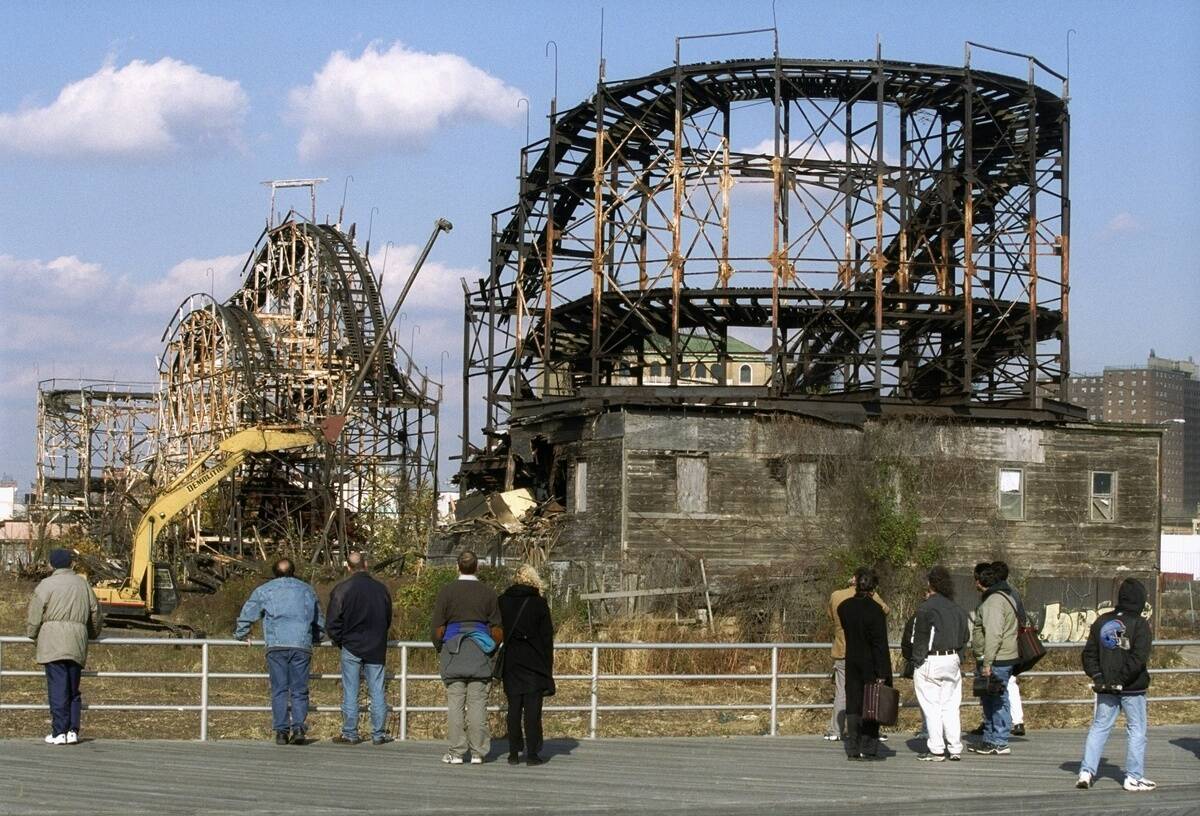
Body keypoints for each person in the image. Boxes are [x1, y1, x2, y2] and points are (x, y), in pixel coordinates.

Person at [234, 557, 325, 745]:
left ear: (274, 572)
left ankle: (281, 731)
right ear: (294, 570)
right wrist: (316, 637)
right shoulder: (306, 590)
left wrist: (242, 634)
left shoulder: (265, 590)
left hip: (276, 645)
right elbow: (318, 618)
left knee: (279, 689)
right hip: (301, 644)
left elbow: (248, 612)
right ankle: (299, 727)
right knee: (300, 689)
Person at [1076, 577, 1155, 792]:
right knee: (1137, 730)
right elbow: (1138, 658)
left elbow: (1089, 655)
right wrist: (1120, 680)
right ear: (1140, 600)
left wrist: (1100, 678)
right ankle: (1133, 777)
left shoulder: (1102, 621)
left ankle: (1086, 771)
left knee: (1100, 727)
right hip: (1132, 687)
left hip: (1105, 687)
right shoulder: (1140, 624)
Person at [25, 548, 104, 745]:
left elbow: (34, 615)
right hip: (77, 641)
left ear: (52, 564)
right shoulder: (83, 585)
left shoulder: (46, 585)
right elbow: (95, 614)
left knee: (58, 687)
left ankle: (59, 731)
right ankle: (72, 731)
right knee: (73, 688)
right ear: (71, 564)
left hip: (53, 642)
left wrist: (32, 634)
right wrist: (91, 635)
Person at [432, 549, 502, 764]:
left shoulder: (447, 591)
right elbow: (498, 628)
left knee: (455, 704)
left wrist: (440, 647)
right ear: (477, 567)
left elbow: (436, 627)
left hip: (453, 651)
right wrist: (492, 648)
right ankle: (478, 752)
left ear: (457, 567)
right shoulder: (488, 592)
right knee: (478, 704)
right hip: (480, 653)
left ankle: (456, 751)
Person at [327, 550, 394, 746]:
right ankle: (379, 733)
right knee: (378, 691)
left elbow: (332, 622)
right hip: (376, 646)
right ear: (366, 564)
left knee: (351, 690)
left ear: (348, 567)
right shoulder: (381, 589)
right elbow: (387, 618)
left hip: (351, 645)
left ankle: (350, 733)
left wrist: (341, 640)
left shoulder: (342, 589)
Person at [911, 566, 970, 762]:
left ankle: (936, 748)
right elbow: (965, 637)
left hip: (931, 659)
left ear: (931, 584)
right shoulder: (958, 609)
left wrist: (917, 661)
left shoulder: (926, 608)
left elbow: (920, 638)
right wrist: (959, 657)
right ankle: (955, 747)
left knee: (931, 706)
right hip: (952, 659)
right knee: (951, 706)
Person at [499, 564, 555, 766]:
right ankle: (532, 753)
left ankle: (513, 752)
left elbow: (497, 631)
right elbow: (547, 637)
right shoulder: (539, 603)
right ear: (534, 579)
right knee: (533, 710)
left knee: (514, 707)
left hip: (512, 660)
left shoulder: (502, 601)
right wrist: (548, 667)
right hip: (535, 661)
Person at [837, 567, 892, 760]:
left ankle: (852, 746)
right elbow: (880, 644)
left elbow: (845, 628)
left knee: (853, 703)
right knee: (872, 704)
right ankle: (868, 746)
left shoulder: (844, 607)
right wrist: (883, 671)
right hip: (871, 662)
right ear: (873, 587)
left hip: (852, 659)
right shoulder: (876, 611)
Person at [826, 574, 889, 741]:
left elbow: (831, 616)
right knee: (869, 693)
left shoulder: (837, 596)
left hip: (842, 649)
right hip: (866, 653)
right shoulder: (872, 598)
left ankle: (836, 730)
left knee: (843, 691)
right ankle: (868, 731)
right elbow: (885, 611)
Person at [969, 560, 1027, 738]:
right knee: (995, 697)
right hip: (1004, 654)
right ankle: (993, 734)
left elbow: (994, 633)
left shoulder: (994, 601)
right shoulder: (1009, 595)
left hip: (998, 657)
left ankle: (998, 739)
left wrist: (987, 661)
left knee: (998, 698)